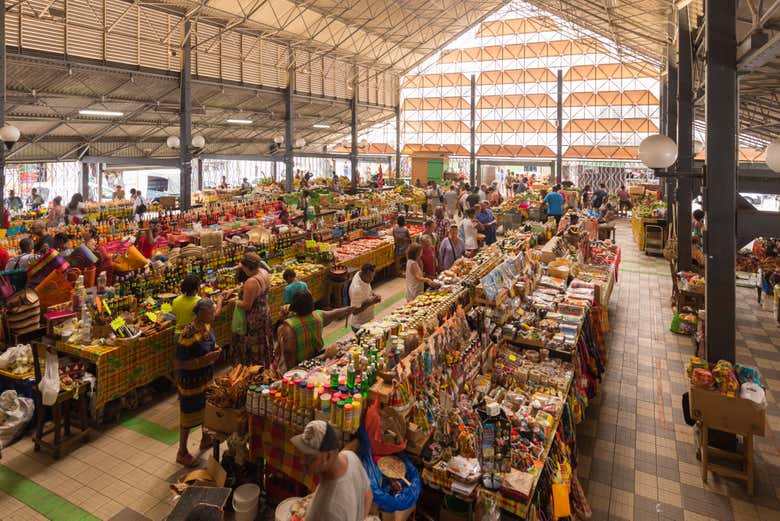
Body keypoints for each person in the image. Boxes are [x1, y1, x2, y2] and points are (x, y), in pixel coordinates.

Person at [291, 420, 372, 521]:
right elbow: (368, 496)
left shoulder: (327, 508)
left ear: (328, 456)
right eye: (302, 453)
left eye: (310, 457)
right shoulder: (350, 457)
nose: (302, 461)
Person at [175, 298, 221, 467]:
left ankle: (205, 438)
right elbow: (180, 363)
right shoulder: (187, 335)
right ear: (201, 313)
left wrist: (216, 349)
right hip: (190, 381)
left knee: (206, 407)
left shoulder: (206, 326)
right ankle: (182, 451)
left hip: (205, 377)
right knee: (188, 415)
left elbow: (210, 344)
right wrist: (204, 359)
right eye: (211, 312)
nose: (213, 315)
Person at [278, 289, 357, 370]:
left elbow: (289, 352)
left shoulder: (289, 326)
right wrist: (348, 309)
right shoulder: (319, 316)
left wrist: (292, 370)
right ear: (312, 304)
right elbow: (335, 313)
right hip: (316, 358)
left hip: (299, 365)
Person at [232, 253, 274, 367]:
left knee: (253, 344)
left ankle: (253, 368)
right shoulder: (263, 272)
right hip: (264, 311)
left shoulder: (251, 282)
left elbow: (246, 305)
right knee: (263, 340)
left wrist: (235, 301)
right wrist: (235, 290)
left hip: (254, 318)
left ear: (246, 267)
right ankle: (264, 364)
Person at [348, 263, 381, 333]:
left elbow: (367, 290)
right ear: (364, 273)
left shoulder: (360, 275)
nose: (372, 280)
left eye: (373, 276)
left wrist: (373, 295)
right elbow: (354, 311)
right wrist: (371, 302)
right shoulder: (357, 289)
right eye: (370, 277)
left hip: (367, 321)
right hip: (359, 325)